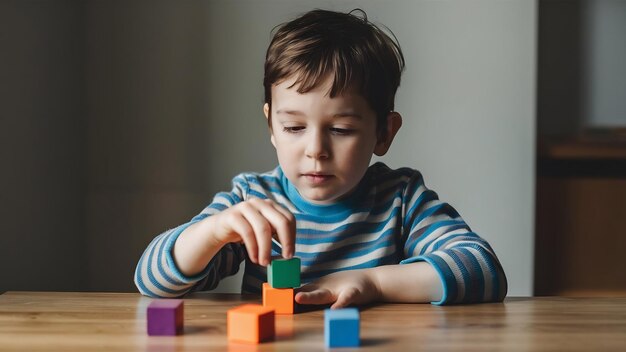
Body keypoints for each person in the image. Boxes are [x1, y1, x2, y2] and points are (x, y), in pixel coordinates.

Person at [134, 8, 507, 307]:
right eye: (294, 128)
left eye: (341, 129)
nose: (316, 149)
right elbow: (151, 281)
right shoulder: (252, 201)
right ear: (271, 127)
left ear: (384, 133)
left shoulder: (402, 199)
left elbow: (482, 269)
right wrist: (213, 231)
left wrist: (372, 282)